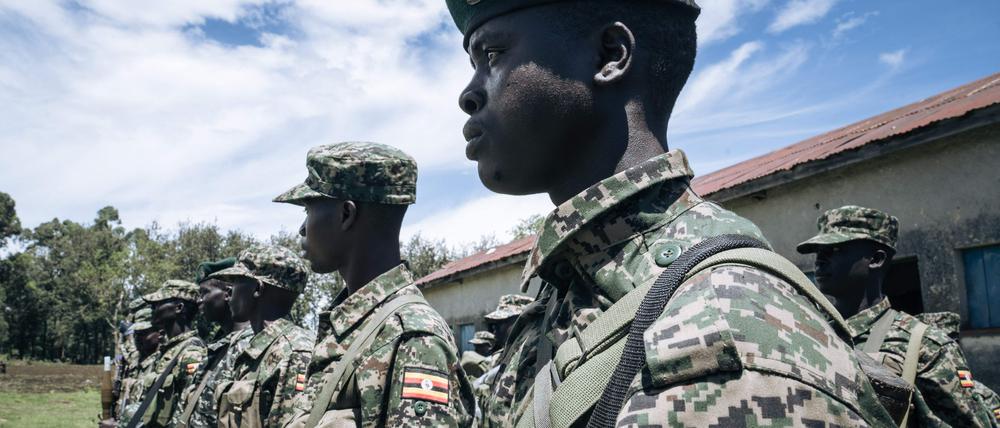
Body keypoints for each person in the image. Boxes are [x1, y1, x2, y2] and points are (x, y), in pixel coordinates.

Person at [443, 0, 897, 425]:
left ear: (610, 55)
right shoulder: (564, 285)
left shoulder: (727, 324)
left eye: (494, 54)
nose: (468, 94)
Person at [276, 142, 475, 427]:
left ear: (346, 214)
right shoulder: (356, 327)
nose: (303, 229)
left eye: (307, 210)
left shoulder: (411, 337)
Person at [798, 205, 993, 426]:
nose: (819, 260)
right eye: (818, 252)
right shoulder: (811, 333)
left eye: (835, 250)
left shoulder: (924, 346)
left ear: (876, 259)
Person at [212, 245, 314, 427]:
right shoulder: (260, 348)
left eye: (235, 283)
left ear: (257, 289)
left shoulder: (294, 353)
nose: (229, 293)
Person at [173, 258, 254, 428]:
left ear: (228, 293)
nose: (199, 301)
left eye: (204, 292)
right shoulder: (217, 346)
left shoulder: (250, 346)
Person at [123, 280, 207, 428]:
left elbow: (190, 413)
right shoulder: (167, 351)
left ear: (178, 308)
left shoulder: (191, 354)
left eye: (158, 304)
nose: (153, 308)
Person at [105, 307, 160, 428]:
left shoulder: (161, 363)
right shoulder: (135, 360)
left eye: (144, 334)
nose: (138, 339)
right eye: (136, 334)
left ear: (159, 332)